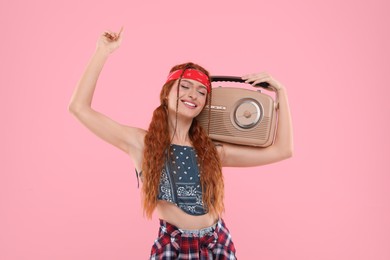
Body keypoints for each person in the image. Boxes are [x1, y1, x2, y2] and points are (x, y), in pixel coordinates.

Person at [68, 27, 293, 259]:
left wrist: (281, 93)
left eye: (201, 92)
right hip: (173, 246)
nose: (193, 95)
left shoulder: (212, 152)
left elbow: (283, 150)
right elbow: (79, 108)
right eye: (184, 87)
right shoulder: (141, 143)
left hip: (216, 243)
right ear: (166, 94)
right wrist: (102, 51)